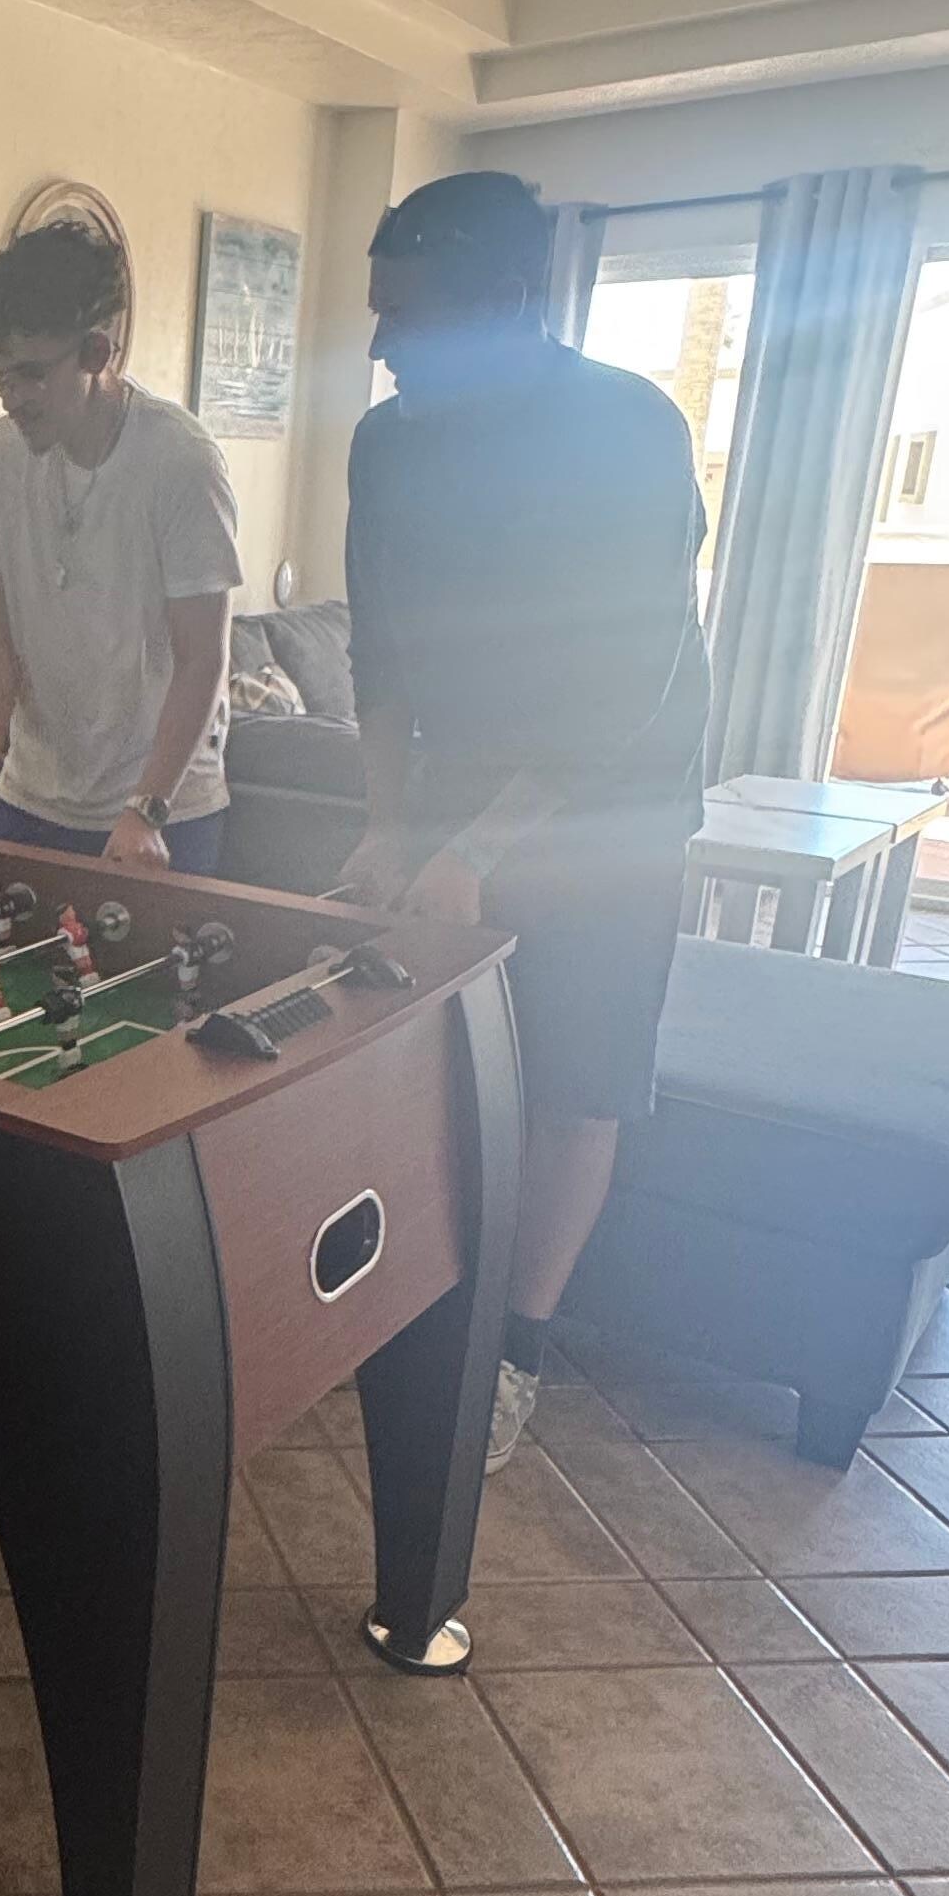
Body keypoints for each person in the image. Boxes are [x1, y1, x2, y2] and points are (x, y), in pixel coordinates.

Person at [335, 169, 711, 1471]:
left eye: (409, 314)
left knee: (573, 1082)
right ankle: (417, 1300)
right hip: (454, 783)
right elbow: (378, 653)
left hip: (612, 810)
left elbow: (617, 690)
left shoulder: (627, 428)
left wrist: (479, 850)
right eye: (377, 311)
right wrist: (391, 825)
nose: (382, 343)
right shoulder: (386, 441)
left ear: (506, 305)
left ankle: (513, 1351)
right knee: (430, 1063)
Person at [0, 218, 241, 873]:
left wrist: (146, 809)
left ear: (96, 353)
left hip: (163, 809)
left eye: (32, 374)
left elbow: (201, 659)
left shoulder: (181, 461)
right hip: (29, 798)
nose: (13, 398)